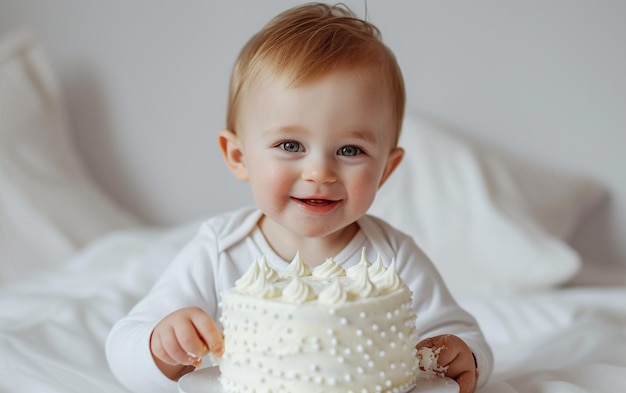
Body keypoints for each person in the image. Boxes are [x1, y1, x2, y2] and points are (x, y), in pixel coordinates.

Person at [106, 3, 493, 393]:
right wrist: (161, 346)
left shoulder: (392, 256)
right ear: (239, 157)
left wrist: (465, 355)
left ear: (386, 171)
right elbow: (124, 349)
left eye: (350, 150)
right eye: (290, 144)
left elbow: (459, 333)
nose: (319, 173)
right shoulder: (220, 250)